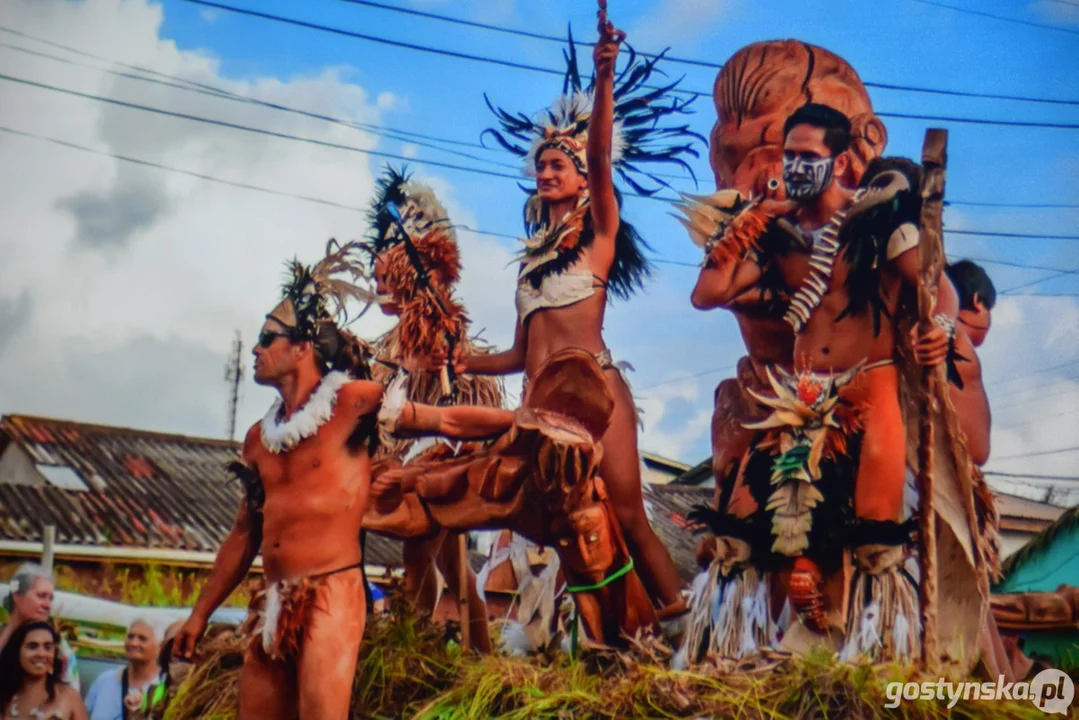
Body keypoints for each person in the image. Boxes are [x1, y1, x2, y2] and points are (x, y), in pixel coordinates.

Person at [431, 15, 702, 629]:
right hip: (540, 408)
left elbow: (603, 153)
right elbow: (516, 355)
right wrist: (458, 360)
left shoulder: (598, 238)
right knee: (554, 525)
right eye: (543, 165)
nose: (548, 172)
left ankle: (680, 628)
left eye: (561, 165)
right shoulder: (530, 268)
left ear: (582, 177)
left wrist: (604, 76)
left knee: (628, 514)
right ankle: (601, 629)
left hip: (595, 394)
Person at [174, 240, 383, 719]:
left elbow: (438, 419)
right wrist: (199, 615)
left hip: (333, 589)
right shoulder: (257, 440)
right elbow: (244, 533)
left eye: (268, 338)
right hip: (273, 597)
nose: (256, 348)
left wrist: (515, 421)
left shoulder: (352, 402)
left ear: (302, 348)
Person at [363, 167, 500, 653]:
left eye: (387, 267)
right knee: (453, 574)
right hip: (407, 445)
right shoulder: (390, 338)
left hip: (441, 445)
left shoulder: (433, 321)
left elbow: (446, 376)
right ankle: (480, 660)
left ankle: (405, 651)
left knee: (421, 551)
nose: (377, 277)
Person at [1, 563, 79, 690]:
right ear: (17, 596)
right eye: (41, 596)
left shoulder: (59, 649)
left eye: (50, 599)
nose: (47, 605)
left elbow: (71, 693)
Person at [0, 621, 87, 720]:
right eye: (32, 646)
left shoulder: (69, 697)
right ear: (17, 652)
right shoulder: (4, 698)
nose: (41, 654)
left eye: (48, 647)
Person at [84, 619, 160, 720]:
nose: (134, 643)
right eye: (130, 636)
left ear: (159, 647)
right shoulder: (104, 681)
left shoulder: (164, 687)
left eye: (142, 639)